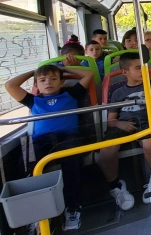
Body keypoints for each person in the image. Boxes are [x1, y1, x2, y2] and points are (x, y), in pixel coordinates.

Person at [5, 65, 95, 231]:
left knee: (72, 163)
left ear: (62, 81)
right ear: (36, 84)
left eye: (54, 79)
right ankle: (34, 212)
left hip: (67, 136)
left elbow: (88, 74)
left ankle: (73, 207)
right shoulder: (33, 100)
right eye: (42, 80)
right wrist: (34, 71)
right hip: (40, 140)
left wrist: (63, 67)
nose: (48, 83)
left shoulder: (71, 94)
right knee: (24, 167)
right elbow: (10, 85)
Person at [98, 52, 151, 210]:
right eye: (138, 68)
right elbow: (111, 120)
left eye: (144, 67)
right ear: (125, 72)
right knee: (105, 153)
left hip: (146, 122)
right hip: (123, 123)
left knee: (149, 144)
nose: (143, 70)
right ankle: (116, 186)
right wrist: (119, 124)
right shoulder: (118, 93)